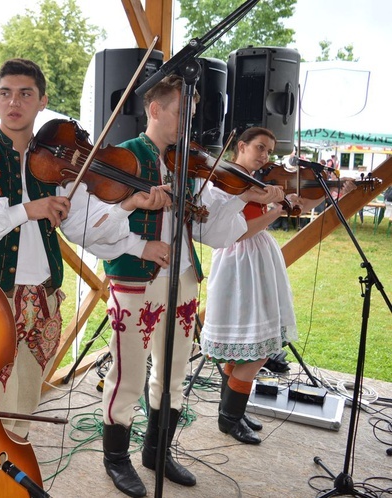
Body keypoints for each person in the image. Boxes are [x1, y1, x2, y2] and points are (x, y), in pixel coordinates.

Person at [79, 76, 286, 497]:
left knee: (174, 372)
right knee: (128, 374)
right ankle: (116, 458)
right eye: (179, 114)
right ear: (154, 110)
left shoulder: (188, 165)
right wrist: (138, 241)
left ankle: (158, 450)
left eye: (190, 117)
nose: (185, 126)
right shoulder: (125, 158)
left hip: (184, 279)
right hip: (134, 279)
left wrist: (238, 194)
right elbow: (91, 228)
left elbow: (217, 233)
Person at [0, 58, 165, 439]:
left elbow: (84, 229)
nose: (14, 102)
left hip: (42, 298)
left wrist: (127, 206)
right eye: (5, 93)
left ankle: (13, 476)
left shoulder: (59, 162)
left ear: (42, 101)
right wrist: (24, 211)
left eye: (25, 94)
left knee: (24, 407)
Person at [200, 127, 330, 446]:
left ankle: (230, 414)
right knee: (255, 349)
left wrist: (288, 202)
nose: (265, 156)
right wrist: (273, 212)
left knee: (248, 344)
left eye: (269, 151)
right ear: (241, 146)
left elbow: (273, 211)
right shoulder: (226, 181)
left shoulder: (252, 181)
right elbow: (238, 233)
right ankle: (230, 418)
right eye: (260, 147)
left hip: (255, 262)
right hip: (240, 263)